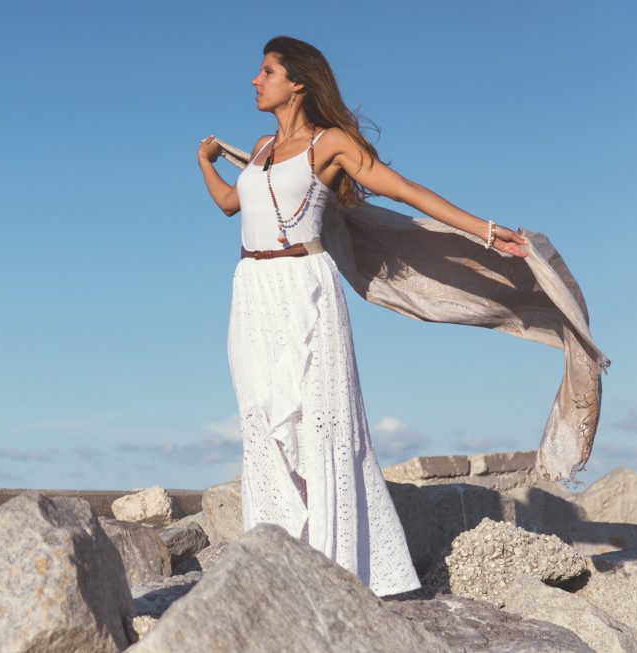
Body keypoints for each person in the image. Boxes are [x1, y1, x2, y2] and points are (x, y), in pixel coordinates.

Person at [196, 35, 529, 597]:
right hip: (251, 290)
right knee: (261, 422)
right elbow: (232, 205)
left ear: (297, 82)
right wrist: (204, 163)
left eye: (267, 71)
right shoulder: (256, 148)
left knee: (322, 422)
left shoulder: (330, 143)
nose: (256, 81)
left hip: (306, 285)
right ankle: (277, 564)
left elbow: (402, 189)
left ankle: (341, 572)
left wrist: (485, 230)